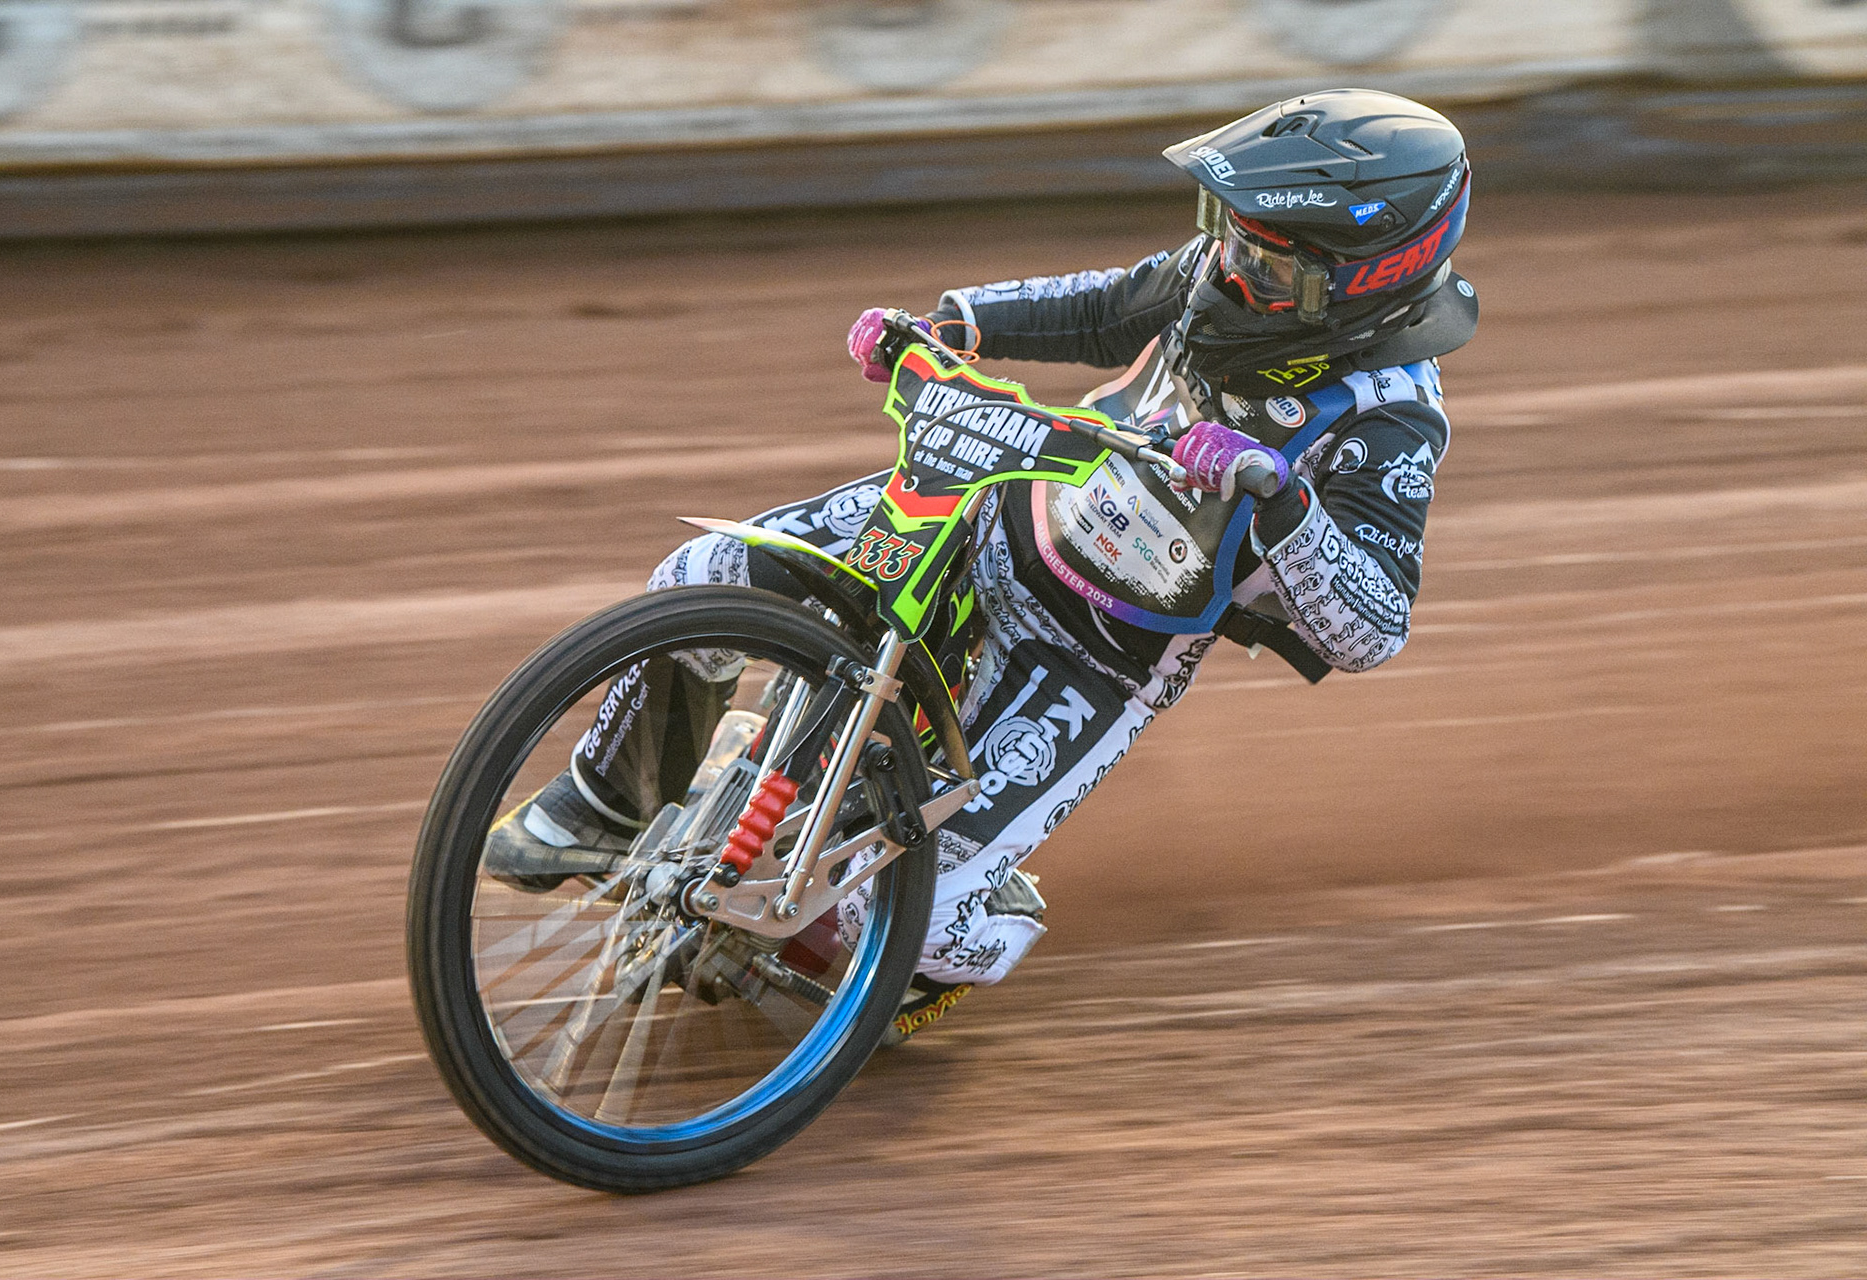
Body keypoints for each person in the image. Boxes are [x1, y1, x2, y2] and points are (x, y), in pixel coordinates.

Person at [483, 88, 1479, 1040]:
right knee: (702, 574)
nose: (1233, 265)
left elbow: (1372, 627)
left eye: (1272, 263)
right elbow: (1098, 307)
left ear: (1367, 279)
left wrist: (1283, 501)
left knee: (921, 901)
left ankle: (929, 951)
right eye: (1230, 232)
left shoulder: (1388, 416)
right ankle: (611, 802)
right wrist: (953, 323)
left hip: (1099, 652)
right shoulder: (1219, 270)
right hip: (992, 504)